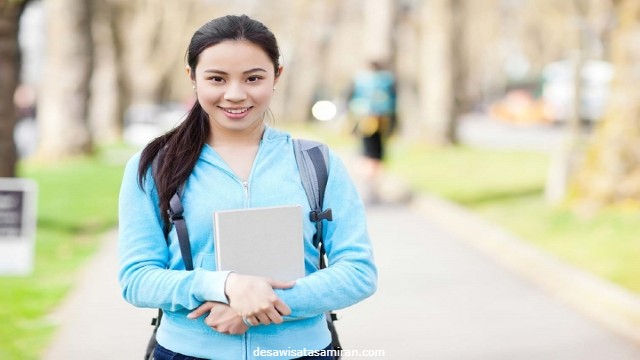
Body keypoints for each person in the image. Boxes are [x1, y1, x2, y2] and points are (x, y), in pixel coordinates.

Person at [118, 15, 377, 360]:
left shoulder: (318, 163)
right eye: (217, 79)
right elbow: (136, 278)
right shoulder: (154, 166)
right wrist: (225, 286)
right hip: (188, 353)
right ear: (192, 77)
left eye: (253, 78)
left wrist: (258, 305)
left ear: (276, 77)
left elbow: (358, 272)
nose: (235, 94)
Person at [347, 61, 397, 203]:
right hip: (382, 120)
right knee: (376, 154)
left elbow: (350, 99)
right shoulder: (387, 81)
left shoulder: (360, 79)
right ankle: (372, 184)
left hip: (363, 120)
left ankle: (366, 183)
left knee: (365, 151)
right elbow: (394, 102)